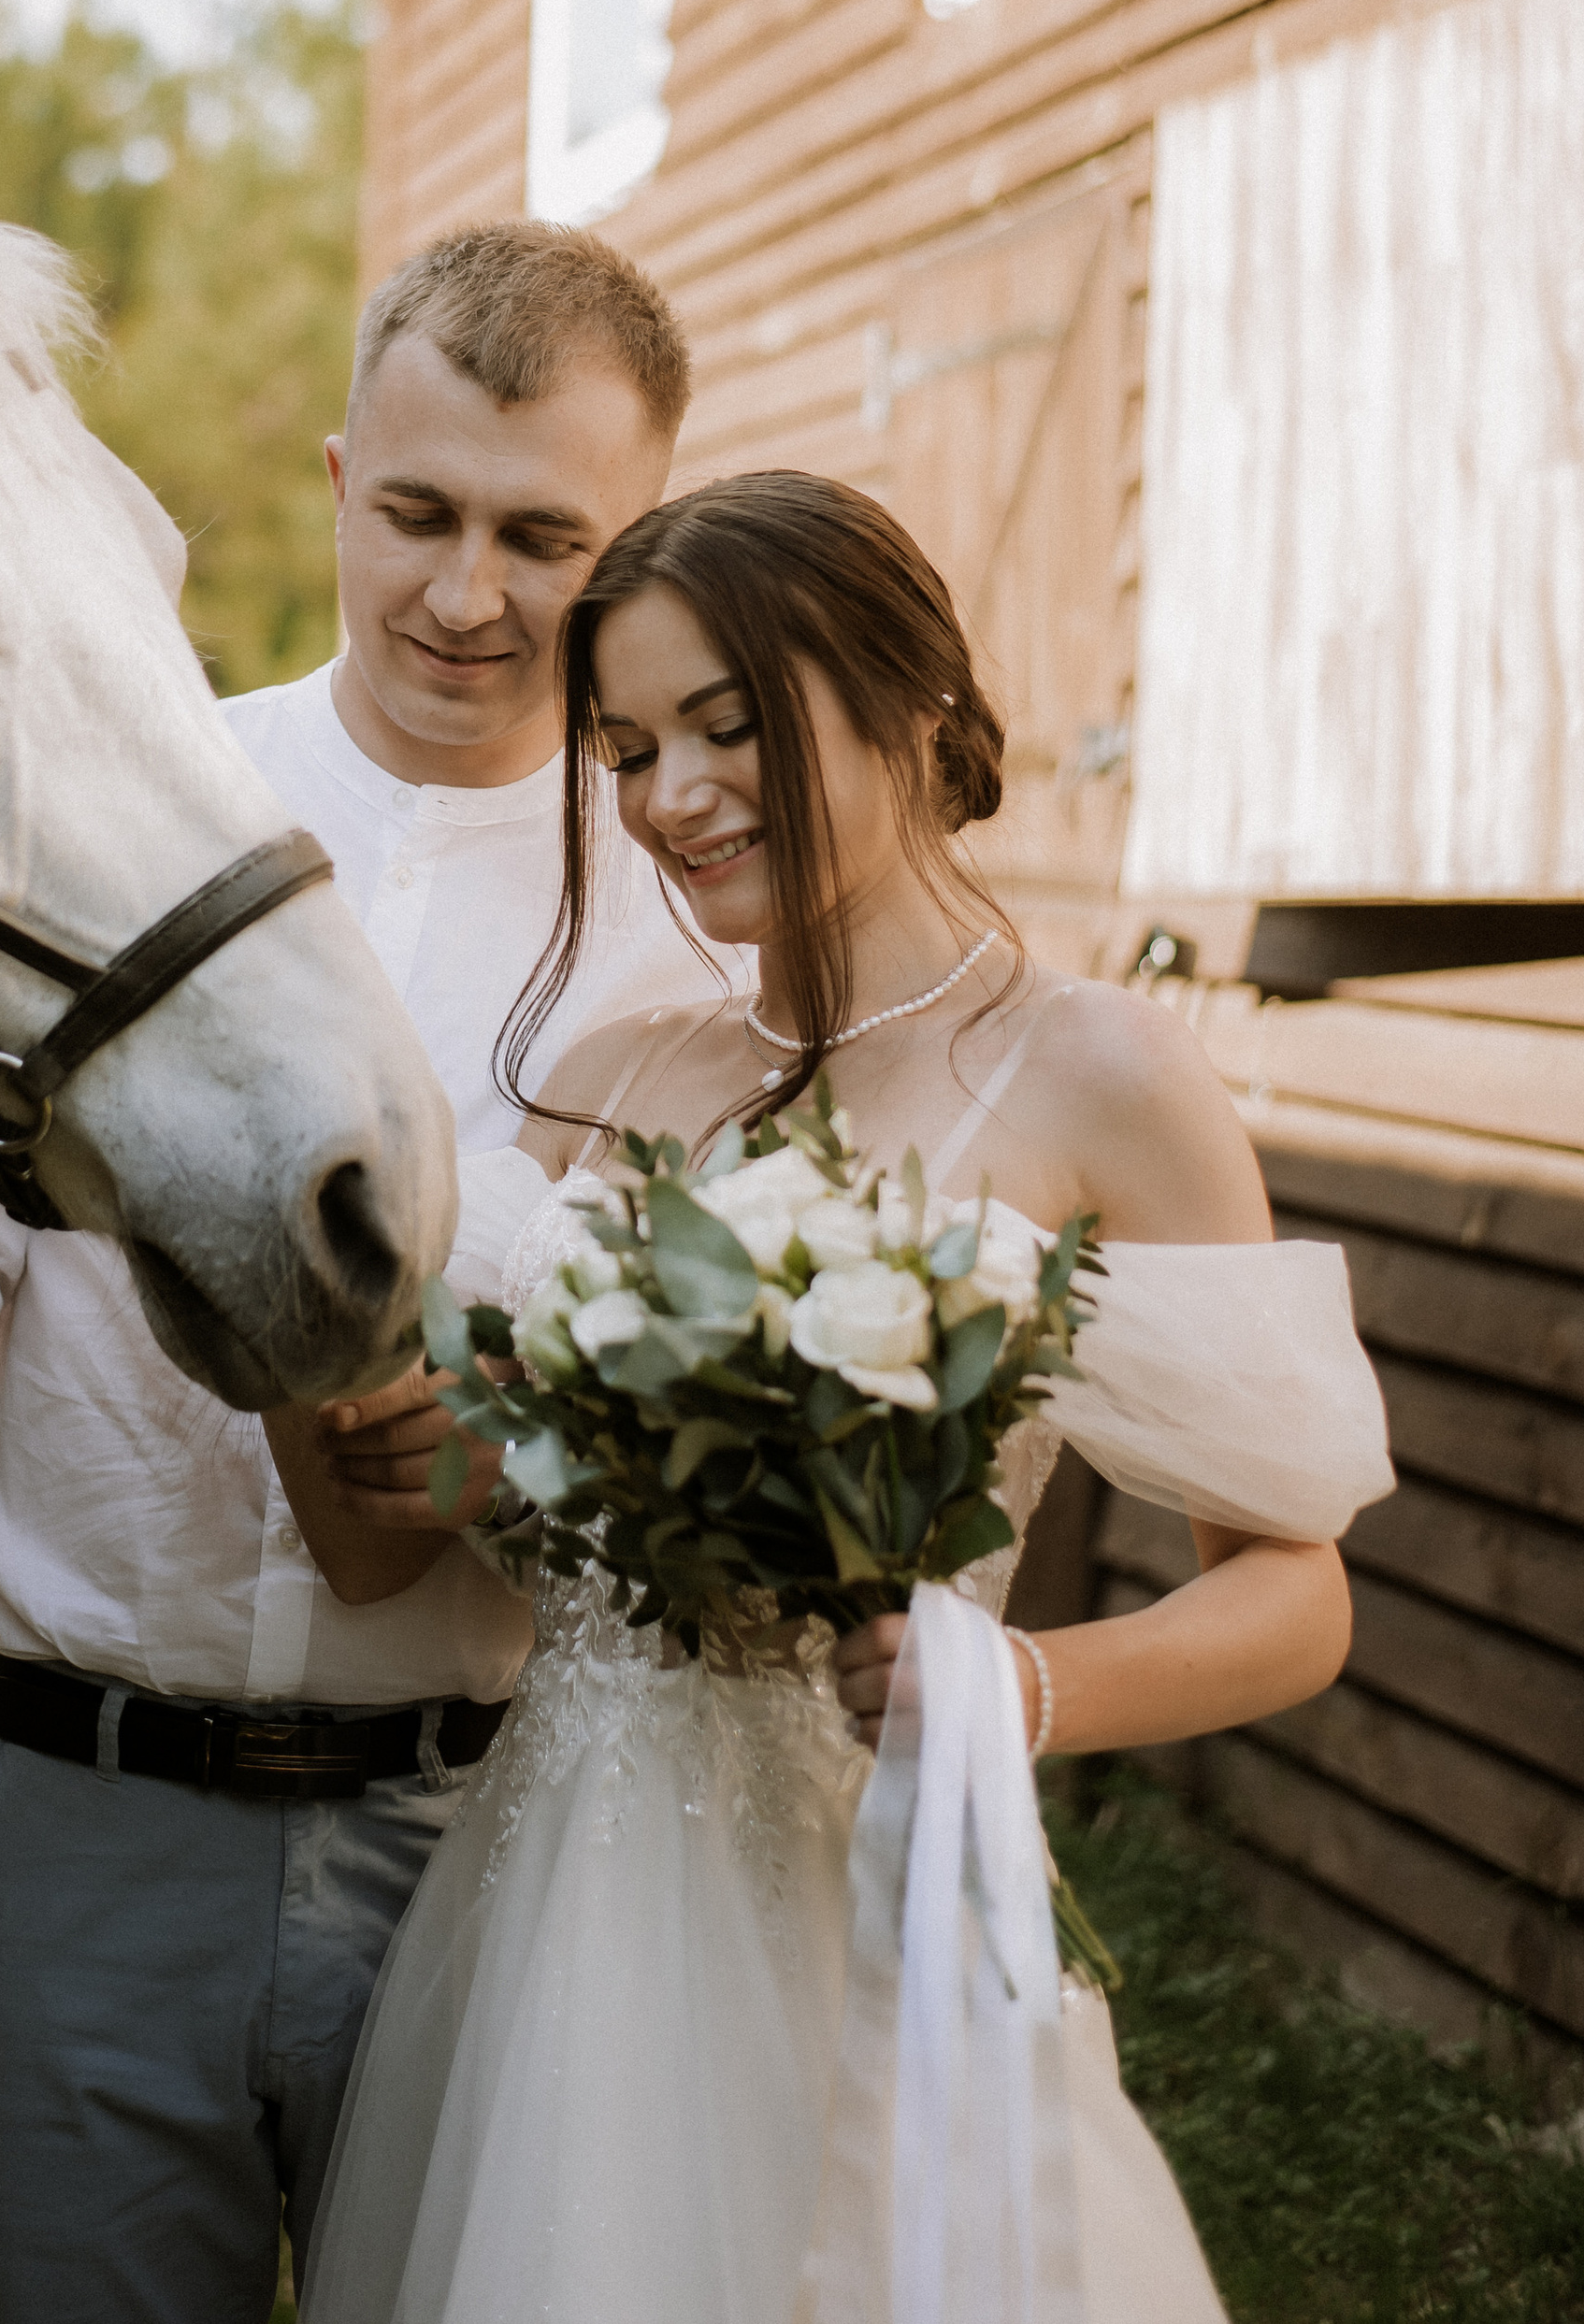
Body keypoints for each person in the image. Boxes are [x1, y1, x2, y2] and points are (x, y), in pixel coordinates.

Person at [301, 470, 1394, 2324]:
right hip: (560, 1909)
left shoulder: (1101, 1076)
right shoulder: (613, 1075)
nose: (670, 797)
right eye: (629, 746)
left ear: (906, 694)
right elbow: (494, 1508)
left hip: (874, 1890)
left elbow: (1296, 1593)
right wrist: (473, 1466)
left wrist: (1013, 1686)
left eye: (729, 723)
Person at [0, 223, 741, 2324]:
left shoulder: (691, 950)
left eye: (538, 534)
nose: (463, 594)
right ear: (333, 481)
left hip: (496, 1860)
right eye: (413, 513)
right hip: (78, 1831)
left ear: (633, 532)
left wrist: (540, 1464)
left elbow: (720, 1478)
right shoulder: (89, 810)